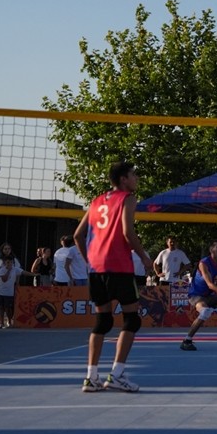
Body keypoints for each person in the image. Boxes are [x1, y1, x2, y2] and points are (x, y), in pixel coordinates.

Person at [74, 161, 153, 393]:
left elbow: (78, 235)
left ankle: (91, 377)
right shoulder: (127, 198)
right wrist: (145, 257)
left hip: (96, 268)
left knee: (103, 321)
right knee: (132, 320)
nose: (136, 178)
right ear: (123, 180)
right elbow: (128, 232)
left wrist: (90, 259)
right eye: (133, 174)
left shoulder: (96, 201)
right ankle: (117, 374)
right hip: (118, 266)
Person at [0, 243, 23, 328]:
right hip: (1, 284)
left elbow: (18, 272)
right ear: (2, 250)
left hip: (11, 285)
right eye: (5, 249)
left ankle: (9, 320)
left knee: (9, 305)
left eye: (8, 249)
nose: (7, 250)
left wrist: (17, 283)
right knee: (0, 304)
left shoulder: (14, 260)